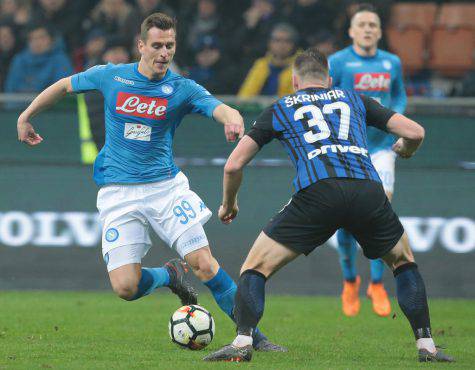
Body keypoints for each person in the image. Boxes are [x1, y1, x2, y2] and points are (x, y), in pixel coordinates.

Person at [17, 12, 284, 352]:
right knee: (125, 287)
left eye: (169, 46)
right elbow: (64, 85)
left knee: (204, 263)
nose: (164, 53)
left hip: (165, 189)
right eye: (157, 45)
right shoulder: (112, 76)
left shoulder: (181, 88)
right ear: (141, 45)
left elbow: (219, 107)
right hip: (118, 192)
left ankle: (254, 337)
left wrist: (231, 118)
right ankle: (168, 276)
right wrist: (26, 116)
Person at [203, 47, 454, 363]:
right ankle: (427, 346)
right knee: (403, 262)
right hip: (367, 189)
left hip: (317, 192)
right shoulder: (354, 99)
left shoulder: (281, 108)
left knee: (255, 267)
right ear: (330, 79)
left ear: (295, 81)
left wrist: (229, 203)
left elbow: (233, 165)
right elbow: (415, 132)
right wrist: (405, 149)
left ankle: (242, 342)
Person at [328, 3, 408, 318]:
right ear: (351, 31)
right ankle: (350, 281)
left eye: (373, 25)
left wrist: (397, 123)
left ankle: (376, 283)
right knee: (346, 219)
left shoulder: (392, 62)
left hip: (382, 149)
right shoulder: (338, 62)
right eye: (361, 24)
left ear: (379, 30)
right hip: (348, 150)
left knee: (378, 211)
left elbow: (399, 95)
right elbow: (325, 96)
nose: (367, 29)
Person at [238, 23, 300, 98]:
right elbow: (245, 95)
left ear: (293, 44)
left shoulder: (302, 66)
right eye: (277, 40)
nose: (282, 45)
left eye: (287, 41)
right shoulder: (261, 64)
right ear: (270, 43)